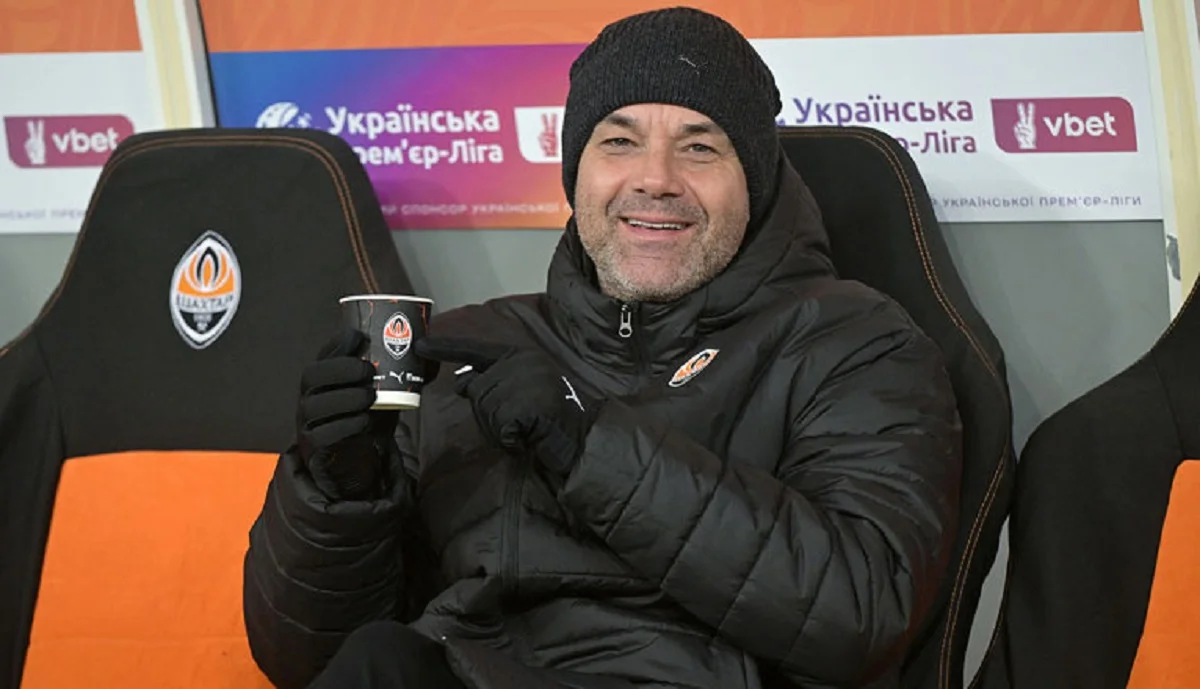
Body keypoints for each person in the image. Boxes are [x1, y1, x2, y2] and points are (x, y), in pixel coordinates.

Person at [242, 7, 963, 689]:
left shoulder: (857, 344)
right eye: (619, 142)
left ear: (756, 180)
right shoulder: (471, 348)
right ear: (576, 172)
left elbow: (864, 612)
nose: (655, 179)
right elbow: (303, 658)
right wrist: (341, 498)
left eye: (700, 147)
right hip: (477, 671)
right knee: (379, 661)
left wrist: (590, 444)